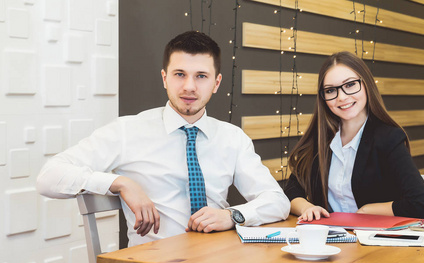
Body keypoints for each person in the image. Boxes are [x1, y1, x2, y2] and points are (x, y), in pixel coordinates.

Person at [37, 31, 290, 246]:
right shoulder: (128, 131)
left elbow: (277, 202)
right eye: (180, 74)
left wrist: (232, 215)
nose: (189, 87)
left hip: (219, 261)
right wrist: (121, 182)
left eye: (201, 76)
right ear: (164, 78)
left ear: (216, 83)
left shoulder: (232, 138)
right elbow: (48, 177)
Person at [285, 51, 424, 222]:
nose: (342, 97)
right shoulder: (322, 139)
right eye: (331, 90)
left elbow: (419, 205)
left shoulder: (388, 138)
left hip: (378, 242)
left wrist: (367, 210)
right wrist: (308, 207)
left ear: (366, 84)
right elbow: (291, 190)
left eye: (350, 85)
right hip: (331, 240)